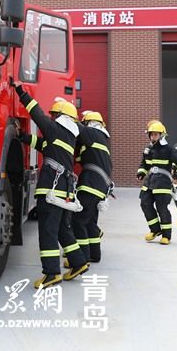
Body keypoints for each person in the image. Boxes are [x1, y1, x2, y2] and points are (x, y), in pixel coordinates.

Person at [11, 80, 89, 288]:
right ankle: (78, 263)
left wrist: (20, 91)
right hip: (65, 191)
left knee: (48, 231)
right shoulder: (67, 137)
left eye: (54, 115)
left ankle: (52, 273)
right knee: (63, 229)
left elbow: (36, 113)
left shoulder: (54, 128)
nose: (51, 117)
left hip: (51, 190)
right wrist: (22, 136)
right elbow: (43, 145)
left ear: (60, 117)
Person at [71, 110, 113, 263]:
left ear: (89, 123)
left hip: (90, 184)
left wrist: (66, 117)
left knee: (78, 221)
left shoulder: (93, 133)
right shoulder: (100, 139)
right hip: (99, 187)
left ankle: (82, 256)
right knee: (90, 222)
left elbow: (77, 127)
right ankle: (95, 254)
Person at [137, 120, 177, 245]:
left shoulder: (169, 149)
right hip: (149, 182)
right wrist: (141, 172)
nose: (153, 136)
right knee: (145, 203)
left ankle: (166, 236)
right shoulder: (148, 149)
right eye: (151, 134)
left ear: (161, 135)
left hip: (163, 183)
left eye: (156, 134)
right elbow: (144, 163)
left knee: (162, 208)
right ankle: (155, 230)